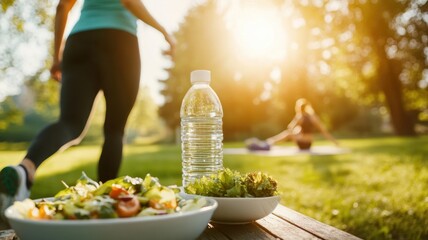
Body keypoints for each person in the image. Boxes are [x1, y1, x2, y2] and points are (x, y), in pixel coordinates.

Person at [0, 0, 175, 219]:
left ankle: (24, 170)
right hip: (119, 41)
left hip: (80, 41)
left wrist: (57, 57)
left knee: (69, 124)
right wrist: (165, 32)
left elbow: (63, 6)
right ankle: (103, 204)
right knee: (114, 130)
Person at [246, 98, 339, 151]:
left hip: (302, 143)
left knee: (288, 133)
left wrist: (297, 126)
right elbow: (324, 131)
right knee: (293, 132)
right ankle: (268, 143)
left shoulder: (300, 117)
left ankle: (268, 143)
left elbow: (290, 127)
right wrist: (335, 142)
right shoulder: (313, 117)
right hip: (309, 144)